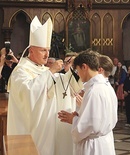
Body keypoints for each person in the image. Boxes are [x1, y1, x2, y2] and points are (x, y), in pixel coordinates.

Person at [6, 16, 82, 155]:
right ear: (31, 51)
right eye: (43, 50)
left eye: (48, 50)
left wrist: (69, 71)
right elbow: (27, 93)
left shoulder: (42, 69)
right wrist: (51, 71)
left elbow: (60, 83)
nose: (47, 54)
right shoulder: (21, 70)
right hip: (32, 129)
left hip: (49, 127)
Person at [58, 50, 118, 155]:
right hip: (105, 141)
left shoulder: (94, 90)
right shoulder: (106, 86)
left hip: (93, 146)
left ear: (84, 67)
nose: (78, 74)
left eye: (77, 70)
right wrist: (80, 115)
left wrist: (73, 119)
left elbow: (89, 125)